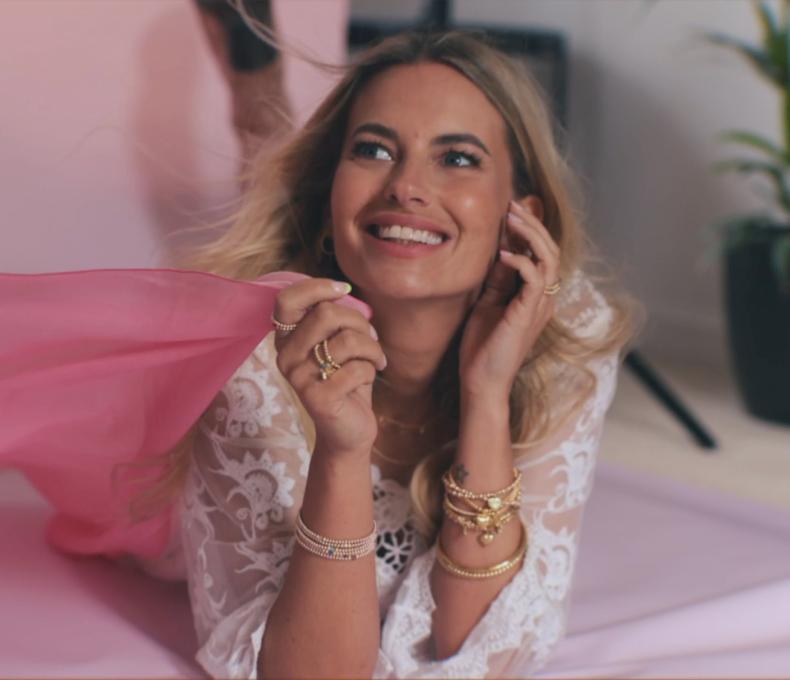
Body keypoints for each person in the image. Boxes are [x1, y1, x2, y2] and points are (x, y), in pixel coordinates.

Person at [130, 28, 639, 679]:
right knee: (264, 220)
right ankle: (259, 98)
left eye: (457, 158)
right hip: (134, 492)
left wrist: (487, 397)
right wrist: (342, 452)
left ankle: (263, 100)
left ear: (521, 214)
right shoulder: (247, 371)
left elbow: (486, 646)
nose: (407, 187)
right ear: (332, 191)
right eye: (372, 149)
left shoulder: (565, 327)